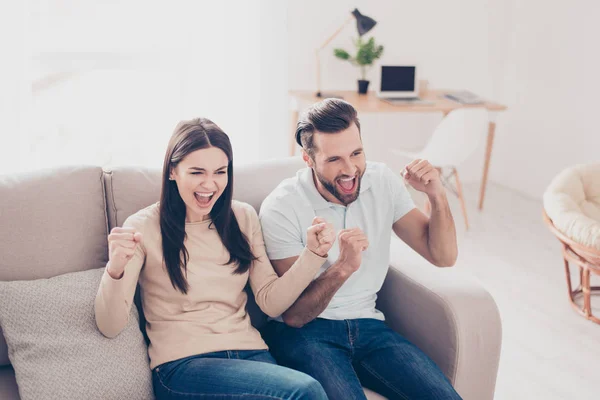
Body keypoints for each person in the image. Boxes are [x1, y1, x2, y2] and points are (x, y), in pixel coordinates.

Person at [94, 118, 333, 400]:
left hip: (251, 354)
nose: (210, 184)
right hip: (184, 366)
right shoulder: (143, 226)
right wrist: (116, 269)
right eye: (197, 172)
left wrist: (313, 255)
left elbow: (271, 301)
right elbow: (109, 325)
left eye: (220, 172)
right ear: (173, 171)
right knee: (304, 391)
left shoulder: (242, 218)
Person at [259, 98, 462, 400]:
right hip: (306, 334)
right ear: (308, 159)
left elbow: (443, 256)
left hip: (369, 326)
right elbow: (295, 315)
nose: (350, 169)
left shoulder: (382, 182)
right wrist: (342, 268)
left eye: (356, 153)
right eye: (334, 159)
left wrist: (436, 194)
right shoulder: (283, 206)